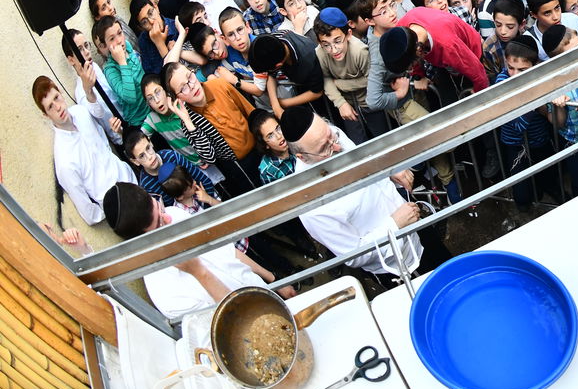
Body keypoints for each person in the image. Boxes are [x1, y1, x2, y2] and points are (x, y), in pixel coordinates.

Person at [282, 107, 451, 284]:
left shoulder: (332, 136)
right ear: (302, 157)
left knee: (451, 270)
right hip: (396, 263)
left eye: (331, 136)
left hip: (414, 224)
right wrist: (394, 224)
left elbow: (364, 162)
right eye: (325, 148)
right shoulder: (312, 207)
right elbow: (354, 256)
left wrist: (388, 170)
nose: (337, 146)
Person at [102, 182, 291, 319]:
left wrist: (273, 280)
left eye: (158, 206)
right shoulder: (164, 293)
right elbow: (232, 320)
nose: (167, 219)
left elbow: (229, 253)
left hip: (264, 290)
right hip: (255, 321)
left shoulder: (174, 214)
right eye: (159, 224)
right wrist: (198, 272)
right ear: (141, 242)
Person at [36, 76, 134, 225]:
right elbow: (88, 212)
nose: (57, 107)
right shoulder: (64, 159)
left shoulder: (81, 112)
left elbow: (102, 139)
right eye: (50, 106)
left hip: (131, 178)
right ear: (45, 115)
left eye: (56, 98)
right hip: (121, 210)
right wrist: (110, 211)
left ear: (61, 92)